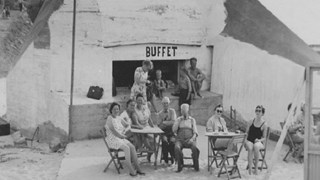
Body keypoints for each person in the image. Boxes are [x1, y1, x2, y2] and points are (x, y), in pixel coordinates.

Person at [104, 102, 145, 177]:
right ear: (111, 110)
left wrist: (125, 129)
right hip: (113, 139)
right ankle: (131, 170)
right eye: (114, 109)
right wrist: (122, 136)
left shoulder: (119, 117)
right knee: (126, 148)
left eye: (117, 109)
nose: (116, 110)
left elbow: (127, 124)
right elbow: (113, 131)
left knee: (132, 147)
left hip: (120, 137)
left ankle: (138, 167)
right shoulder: (110, 118)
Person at [173, 103, 200, 172]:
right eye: (182, 111)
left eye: (185, 110)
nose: (184, 112)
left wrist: (192, 139)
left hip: (190, 139)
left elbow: (195, 132)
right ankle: (180, 164)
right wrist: (177, 122)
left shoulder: (192, 120)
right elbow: (174, 130)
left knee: (194, 148)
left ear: (188, 111)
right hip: (180, 139)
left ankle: (196, 165)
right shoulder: (178, 119)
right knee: (177, 147)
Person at [245, 105, 267, 175]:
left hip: (258, 141)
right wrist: (245, 141)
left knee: (256, 146)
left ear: (262, 113)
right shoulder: (251, 121)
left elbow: (264, 137)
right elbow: (246, 133)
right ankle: (250, 170)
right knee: (250, 147)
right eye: (256, 110)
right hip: (249, 140)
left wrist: (259, 140)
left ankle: (256, 168)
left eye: (259, 111)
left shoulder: (264, 124)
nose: (257, 112)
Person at [134, 93, 155, 161]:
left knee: (155, 141)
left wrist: (153, 128)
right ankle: (148, 150)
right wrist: (142, 128)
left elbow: (149, 119)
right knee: (148, 143)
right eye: (138, 100)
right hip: (140, 130)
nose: (140, 102)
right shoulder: (134, 110)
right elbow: (135, 122)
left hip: (147, 128)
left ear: (143, 101)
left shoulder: (146, 108)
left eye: (141, 100)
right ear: (136, 101)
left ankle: (149, 155)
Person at [158, 97, 176, 165]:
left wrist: (164, 122)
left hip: (172, 131)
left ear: (169, 104)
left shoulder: (172, 111)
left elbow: (174, 122)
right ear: (162, 104)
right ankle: (165, 159)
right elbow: (159, 126)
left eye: (167, 103)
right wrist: (168, 122)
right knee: (164, 142)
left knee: (172, 142)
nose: (165, 105)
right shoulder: (160, 113)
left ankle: (173, 158)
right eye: (164, 103)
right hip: (164, 132)